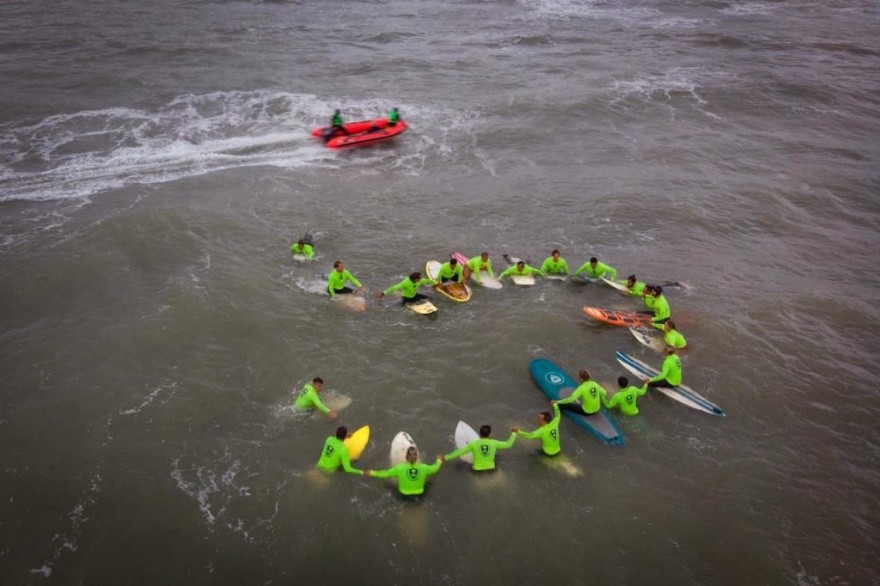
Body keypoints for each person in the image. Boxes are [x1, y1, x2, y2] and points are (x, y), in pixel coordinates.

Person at [365, 446, 443, 497]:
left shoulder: (399, 468)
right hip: (420, 495)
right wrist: (439, 460)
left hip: (403, 496)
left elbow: (385, 474)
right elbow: (434, 469)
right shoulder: (424, 467)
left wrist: (371, 472)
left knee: (388, 486)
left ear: (406, 457)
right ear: (417, 457)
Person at [443, 425, 517, 472]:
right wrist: (514, 433)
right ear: (489, 434)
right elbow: (508, 444)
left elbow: (459, 452)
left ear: (480, 433)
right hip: (491, 469)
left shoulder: (473, 444)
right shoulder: (494, 443)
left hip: (477, 471)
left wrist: (445, 458)